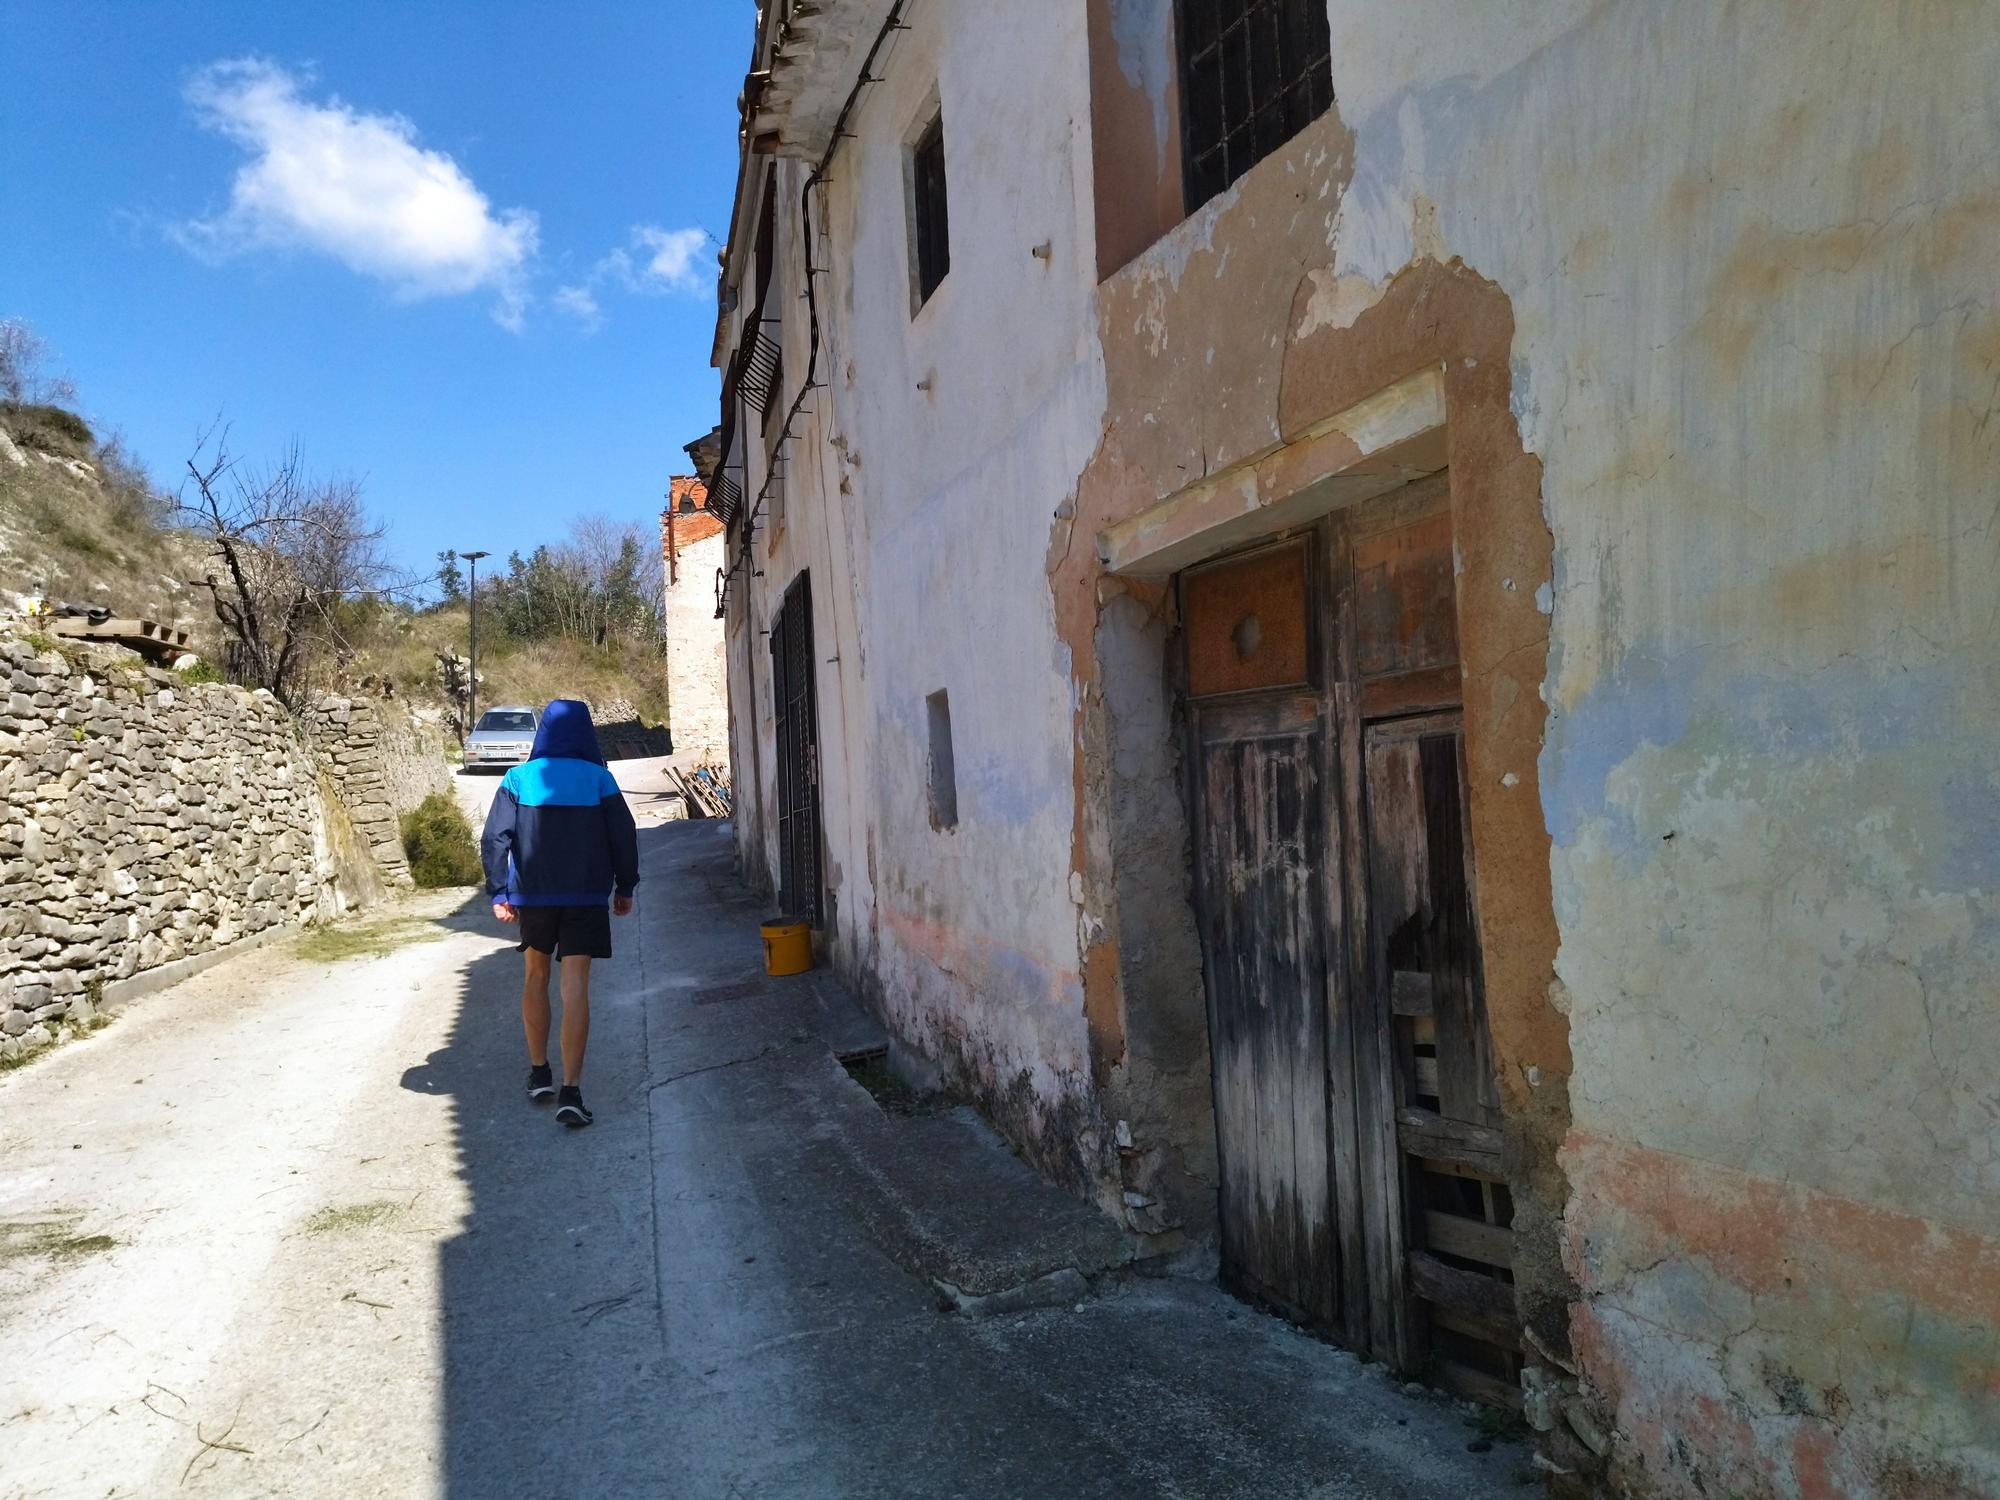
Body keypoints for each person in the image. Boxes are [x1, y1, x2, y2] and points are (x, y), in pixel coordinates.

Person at [479, 699, 638, 1128]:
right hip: (585, 897)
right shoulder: (600, 779)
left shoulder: (517, 778)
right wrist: (625, 886)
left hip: (533, 896)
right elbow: (623, 835)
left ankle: (538, 1073)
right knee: (575, 987)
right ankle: (571, 1090)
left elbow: (495, 837)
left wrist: (499, 892)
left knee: (535, 976)